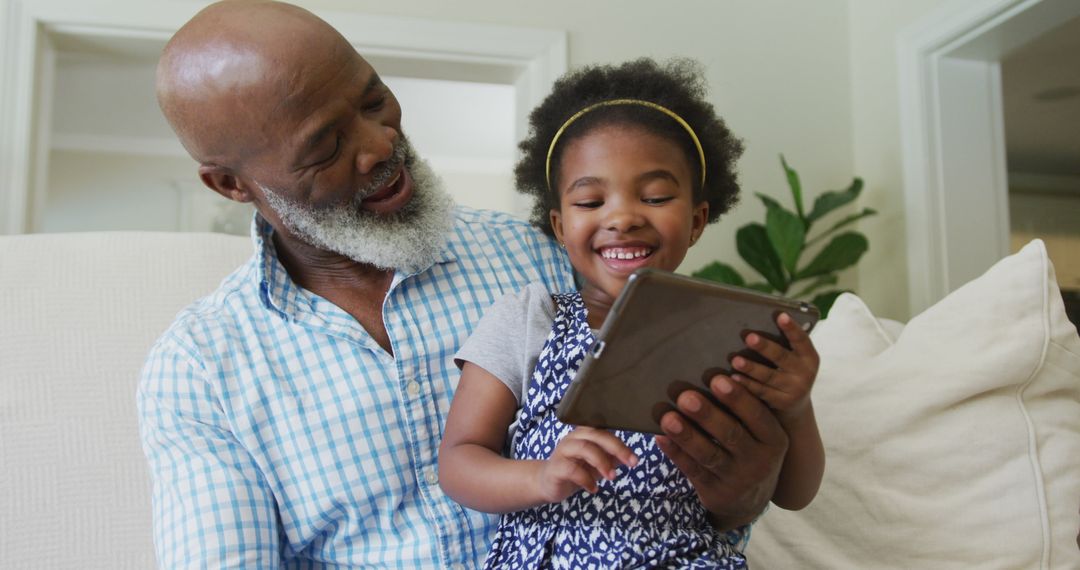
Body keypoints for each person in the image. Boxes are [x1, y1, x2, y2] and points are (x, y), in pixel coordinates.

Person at [137, 1, 791, 568]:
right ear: (231, 184)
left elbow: (696, 500)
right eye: (326, 147)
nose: (381, 144)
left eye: (373, 101)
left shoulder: (550, 260)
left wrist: (743, 489)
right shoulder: (200, 370)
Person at [438, 58, 825, 569]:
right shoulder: (528, 319)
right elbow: (459, 459)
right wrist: (539, 477)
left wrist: (795, 408)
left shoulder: (728, 331)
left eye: (656, 196)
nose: (621, 217)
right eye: (590, 201)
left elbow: (793, 495)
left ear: (696, 220)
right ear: (558, 226)